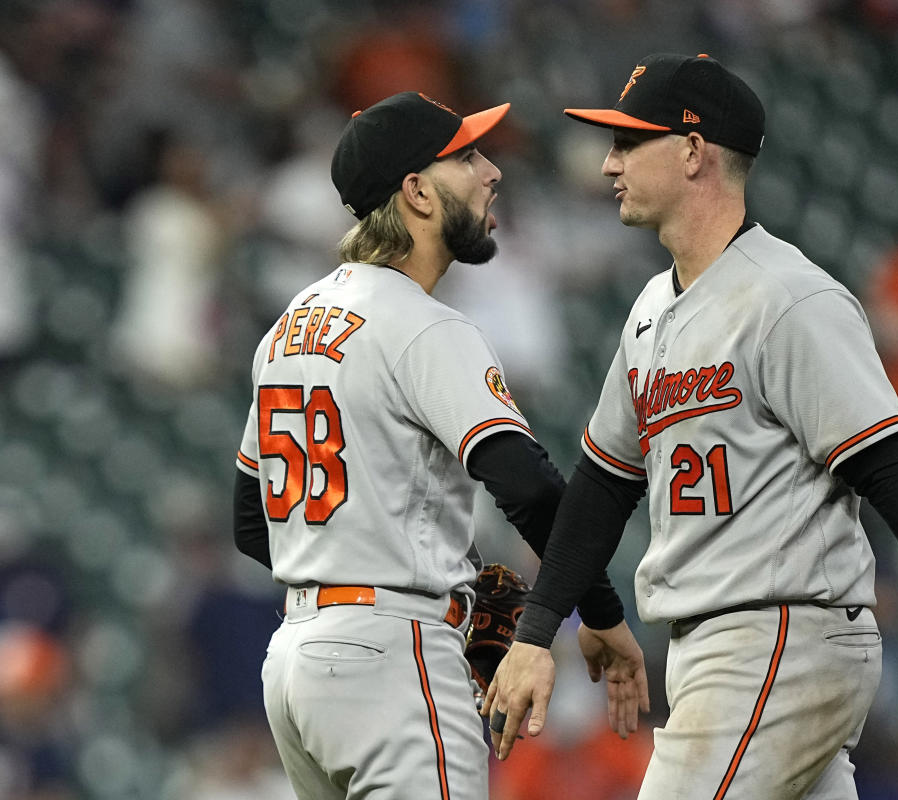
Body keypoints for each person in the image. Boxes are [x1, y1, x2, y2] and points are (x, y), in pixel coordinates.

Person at [483, 53, 898, 798]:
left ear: (691, 151)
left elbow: (894, 475)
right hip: (727, 646)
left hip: (775, 638)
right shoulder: (649, 310)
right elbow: (603, 487)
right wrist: (540, 629)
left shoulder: (792, 300)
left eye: (627, 142)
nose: (608, 163)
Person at [231, 91, 647, 800]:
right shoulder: (423, 325)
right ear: (417, 192)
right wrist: (601, 615)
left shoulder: (288, 328)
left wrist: (362, 578)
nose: (492, 174)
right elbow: (532, 489)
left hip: (298, 665)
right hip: (392, 660)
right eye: (468, 159)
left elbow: (251, 523)